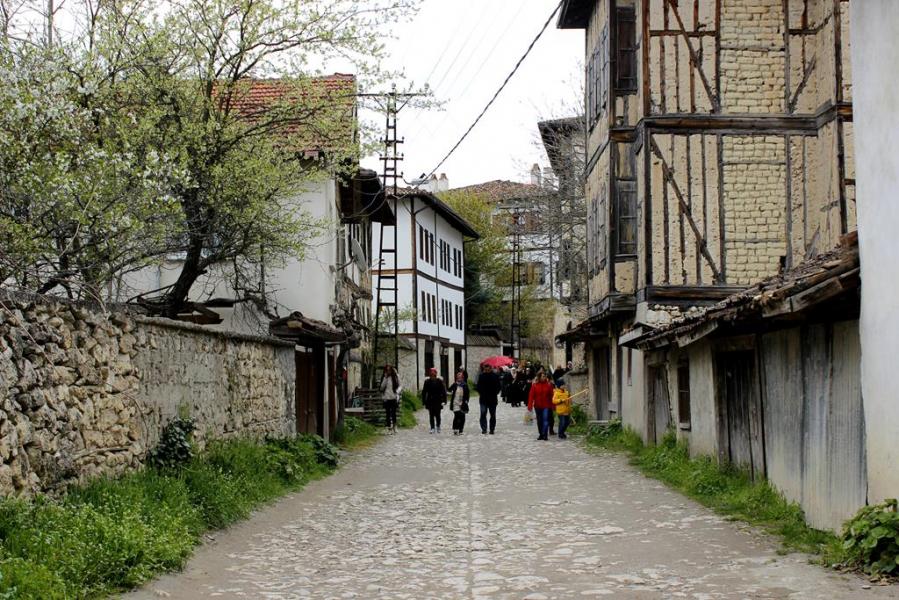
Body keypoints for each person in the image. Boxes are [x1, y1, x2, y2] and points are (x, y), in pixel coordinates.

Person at [527, 370, 555, 441]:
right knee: (539, 421)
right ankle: (541, 434)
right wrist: (530, 405)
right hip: (538, 406)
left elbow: (552, 395)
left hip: (546, 405)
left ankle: (545, 434)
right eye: (543, 376)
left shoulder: (549, 385)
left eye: (545, 376)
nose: (544, 377)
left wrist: (553, 405)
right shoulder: (535, 385)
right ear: (539, 377)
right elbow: (531, 396)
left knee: (545, 420)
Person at [476, 364, 502, 434]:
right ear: (484, 369)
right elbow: (478, 386)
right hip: (483, 399)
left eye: (488, 369)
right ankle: (484, 428)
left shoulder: (495, 376)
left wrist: (495, 393)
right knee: (483, 414)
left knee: (492, 415)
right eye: (486, 369)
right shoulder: (481, 376)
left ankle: (492, 429)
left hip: (492, 399)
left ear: (491, 369)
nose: (487, 370)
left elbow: (499, 386)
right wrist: (481, 392)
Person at [421, 368, 447, 433]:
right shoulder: (427, 382)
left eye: (433, 375)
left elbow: (443, 391)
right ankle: (432, 427)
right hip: (430, 400)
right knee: (431, 415)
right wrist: (423, 401)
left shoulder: (439, 381)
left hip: (438, 400)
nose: (432, 376)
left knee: (438, 415)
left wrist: (444, 400)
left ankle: (438, 426)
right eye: (431, 375)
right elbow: (424, 392)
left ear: (435, 375)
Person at [379, 364, 402, 434]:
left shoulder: (396, 376)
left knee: (393, 412)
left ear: (391, 370)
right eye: (387, 370)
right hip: (386, 397)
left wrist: (397, 392)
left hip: (394, 397)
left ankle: (394, 427)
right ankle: (389, 428)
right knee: (388, 413)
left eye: (389, 370)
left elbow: (400, 386)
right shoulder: (385, 377)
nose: (388, 371)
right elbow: (381, 387)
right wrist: (385, 378)